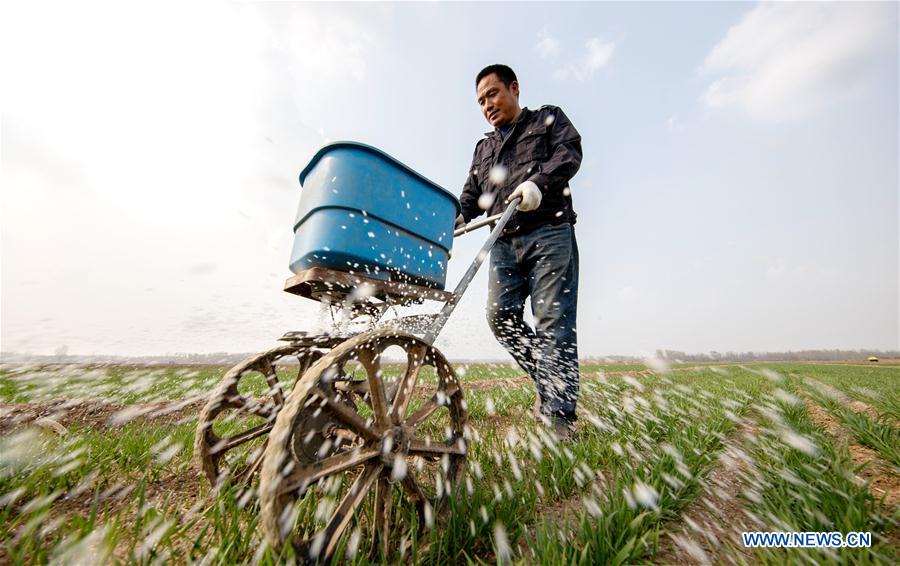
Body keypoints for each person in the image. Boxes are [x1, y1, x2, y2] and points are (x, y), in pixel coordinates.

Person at [457, 64, 582, 440]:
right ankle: (549, 381)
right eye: (480, 101)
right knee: (500, 318)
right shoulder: (484, 148)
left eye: (492, 94)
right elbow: (471, 196)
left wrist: (537, 184)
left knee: (552, 324)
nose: (487, 105)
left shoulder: (547, 120)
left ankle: (559, 419)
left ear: (514, 88)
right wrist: (455, 218)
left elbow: (570, 152)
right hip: (504, 242)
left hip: (549, 231)